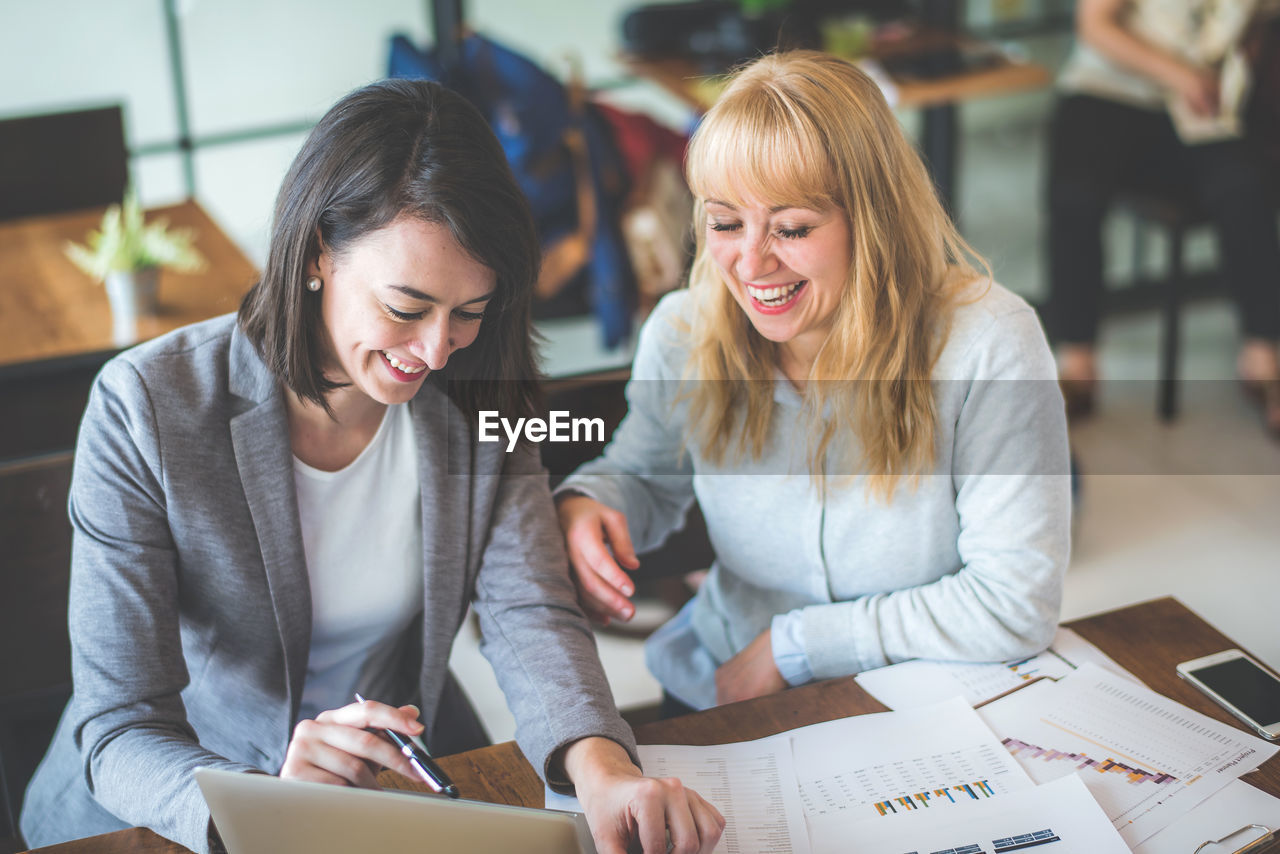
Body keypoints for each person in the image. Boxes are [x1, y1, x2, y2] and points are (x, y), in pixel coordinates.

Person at [20, 79, 722, 854]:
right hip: (169, 820)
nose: (433, 351)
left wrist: (602, 768)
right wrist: (262, 811)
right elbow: (120, 724)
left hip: (398, 794)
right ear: (320, 251)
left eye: (468, 313)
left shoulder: (472, 393)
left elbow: (529, 613)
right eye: (405, 307)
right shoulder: (148, 407)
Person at [555, 51, 1072, 715]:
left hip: (924, 693)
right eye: (724, 223)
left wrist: (793, 646)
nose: (750, 262)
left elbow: (1014, 603)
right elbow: (645, 473)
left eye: (793, 227)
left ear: (876, 220)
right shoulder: (683, 332)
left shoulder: (990, 342)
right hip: (723, 688)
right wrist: (593, 501)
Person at [1043, 0, 1280, 429]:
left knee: (1246, 187)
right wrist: (1182, 75)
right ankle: (1079, 364)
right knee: (1076, 195)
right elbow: (1094, 26)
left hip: (1207, 108)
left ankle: (1263, 361)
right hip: (1111, 90)